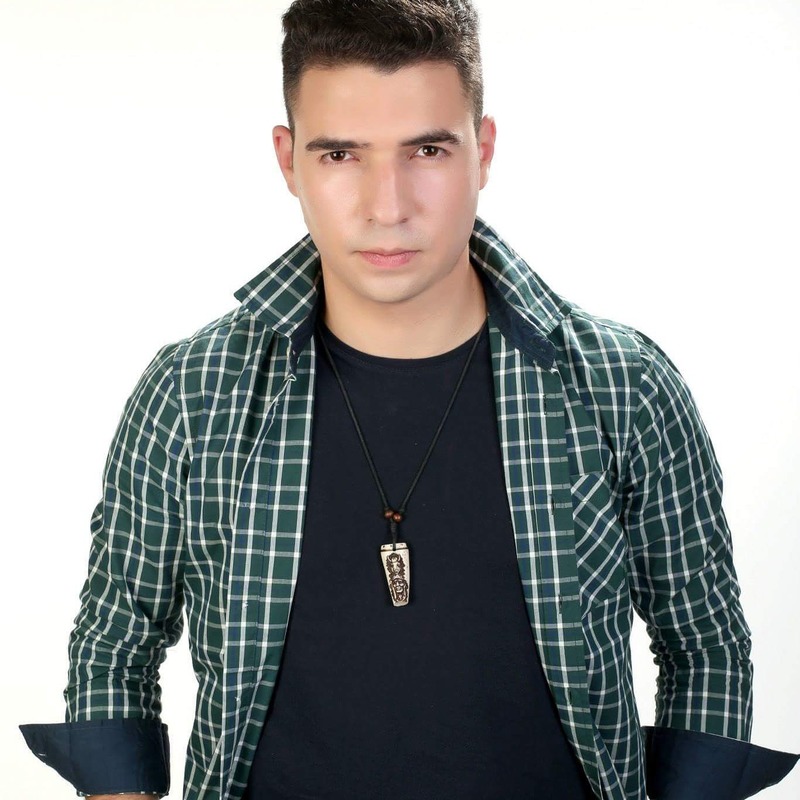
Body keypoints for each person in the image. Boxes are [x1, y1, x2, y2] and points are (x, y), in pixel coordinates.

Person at [19, 1, 799, 798]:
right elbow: (115, 644)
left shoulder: (622, 385)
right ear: (288, 162)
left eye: (427, 149)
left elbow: (703, 644)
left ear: (482, 151)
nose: (387, 205)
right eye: (340, 154)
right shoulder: (193, 392)